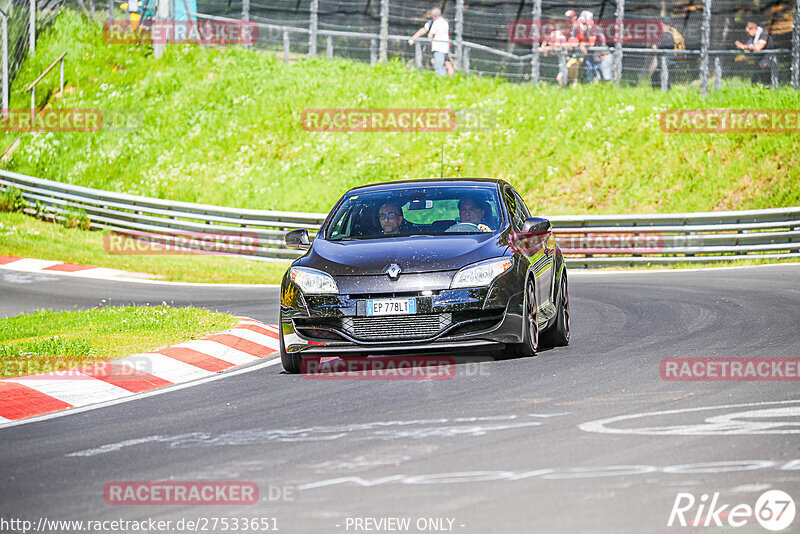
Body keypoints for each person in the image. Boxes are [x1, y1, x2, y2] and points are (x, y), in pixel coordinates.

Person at [409, 8, 454, 76]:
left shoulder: (435, 23)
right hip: (446, 47)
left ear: (433, 16)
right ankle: (451, 79)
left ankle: (441, 80)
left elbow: (429, 35)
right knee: (447, 64)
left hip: (438, 48)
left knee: (439, 66)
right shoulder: (446, 22)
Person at [736, 21, 776, 86]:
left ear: (754, 28)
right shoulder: (752, 38)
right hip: (759, 60)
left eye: (748, 32)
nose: (748, 34)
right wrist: (741, 47)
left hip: (767, 59)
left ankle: (767, 88)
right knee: (754, 79)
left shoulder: (763, 34)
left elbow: (758, 47)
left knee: (765, 74)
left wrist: (745, 47)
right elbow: (749, 47)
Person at [651, 17, 677, 90]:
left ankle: (664, 92)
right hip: (669, 61)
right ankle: (663, 92)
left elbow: (655, 47)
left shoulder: (665, 35)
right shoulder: (671, 34)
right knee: (657, 77)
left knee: (662, 78)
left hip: (665, 62)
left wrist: (653, 46)